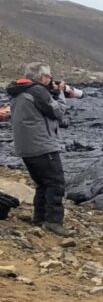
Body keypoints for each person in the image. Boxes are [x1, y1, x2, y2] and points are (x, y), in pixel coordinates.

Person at [6, 62, 80, 235]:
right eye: (48, 77)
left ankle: (39, 218)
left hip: (24, 146)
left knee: (42, 183)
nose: (50, 80)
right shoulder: (38, 91)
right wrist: (60, 93)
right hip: (42, 145)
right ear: (40, 77)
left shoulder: (17, 89)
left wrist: (52, 92)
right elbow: (57, 113)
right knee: (55, 183)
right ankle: (53, 221)